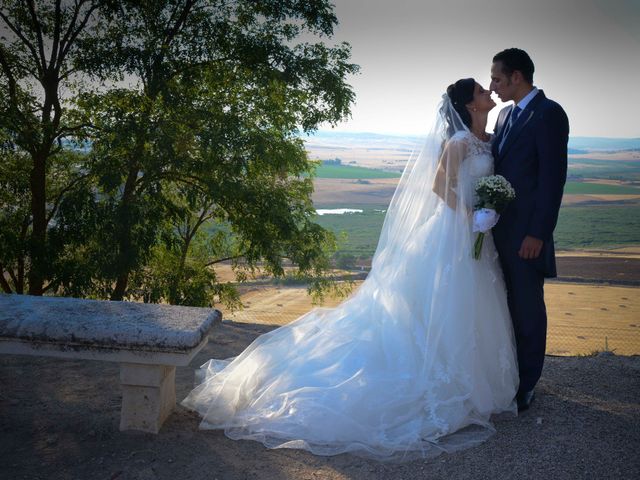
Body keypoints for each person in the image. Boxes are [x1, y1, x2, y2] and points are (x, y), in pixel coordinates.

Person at [181, 78, 519, 461]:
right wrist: (471, 214)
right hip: (455, 232)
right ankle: (450, 377)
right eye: (480, 91)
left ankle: (476, 379)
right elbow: (441, 187)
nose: (488, 93)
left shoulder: (489, 139)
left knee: (475, 302)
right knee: (446, 302)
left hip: (480, 234)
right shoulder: (458, 144)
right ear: (468, 105)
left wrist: (488, 211)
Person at [490, 48, 569, 412]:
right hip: (496, 234)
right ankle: (505, 378)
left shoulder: (549, 114)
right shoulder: (505, 115)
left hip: (527, 237)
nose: (492, 87)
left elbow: (552, 181)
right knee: (503, 310)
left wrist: (538, 233)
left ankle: (526, 386)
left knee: (527, 310)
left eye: (497, 79)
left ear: (517, 77)